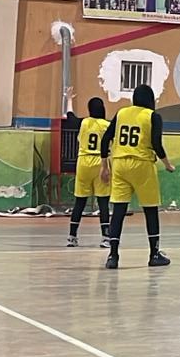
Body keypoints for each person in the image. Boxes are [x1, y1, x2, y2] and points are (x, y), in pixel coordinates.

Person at [100, 85, 175, 269]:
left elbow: (105, 139)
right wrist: (167, 164)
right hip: (142, 164)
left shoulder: (121, 113)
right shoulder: (152, 116)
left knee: (118, 210)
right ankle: (154, 254)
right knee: (150, 210)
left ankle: (113, 255)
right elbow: (156, 144)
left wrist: (104, 166)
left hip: (119, 164)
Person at [67, 94, 111, 247]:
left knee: (80, 201)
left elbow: (70, 117)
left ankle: (72, 236)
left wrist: (69, 100)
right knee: (103, 201)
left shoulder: (84, 122)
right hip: (100, 162)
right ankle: (106, 237)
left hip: (83, 162)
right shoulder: (106, 125)